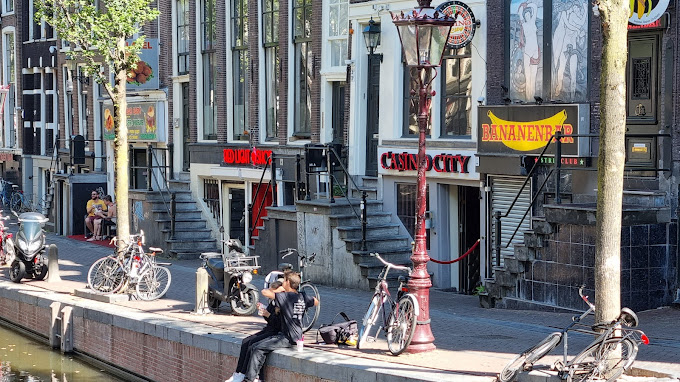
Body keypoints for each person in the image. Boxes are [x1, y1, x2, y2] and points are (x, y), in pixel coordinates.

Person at [242, 272, 318, 382]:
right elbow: (316, 301)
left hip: (287, 337)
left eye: (284, 280)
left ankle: (249, 380)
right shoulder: (302, 296)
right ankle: (257, 378)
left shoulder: (285, 297)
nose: (283, 282)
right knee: (256, 346)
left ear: (287, 282)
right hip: (296, 336)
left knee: (258, 348)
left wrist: (278, 290)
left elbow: (265, 292)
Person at [225, 280, 284, 382]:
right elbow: (270, 320)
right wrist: (264, 313)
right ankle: (238, 373)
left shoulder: (282, 304)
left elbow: (279, 324)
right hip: (269, 329)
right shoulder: (273, 302)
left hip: (275, 332)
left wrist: (268, 315)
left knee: (253, 344)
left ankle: (246, 374)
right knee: (245, 341)